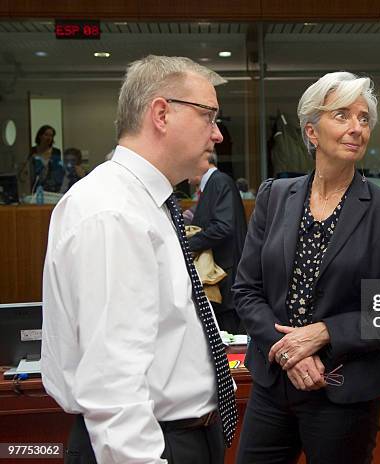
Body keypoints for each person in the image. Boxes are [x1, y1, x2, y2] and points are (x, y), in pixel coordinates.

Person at [42, 55, 237, 464]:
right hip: (148, 444)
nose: (218, 134)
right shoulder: (114, 211)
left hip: (186, 434)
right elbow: (113, 383)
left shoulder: (151, 202)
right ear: (162, 113)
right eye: (209, 116)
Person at [233, 71, 380, 464]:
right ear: (311, 132)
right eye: (342, 116)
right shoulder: (274, 196)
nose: (356, 129)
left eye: (364, 119)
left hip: (345, 390)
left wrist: (325, 332)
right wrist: (289, 353)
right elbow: (247, 290)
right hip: (273, 383)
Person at [188, 151, 247, 334]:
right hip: (222, 274)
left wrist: (189, 244)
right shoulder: (215, 184)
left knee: (229, 336)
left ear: (202, 161)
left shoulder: (219, 182)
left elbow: (223, 227)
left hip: (226, 275)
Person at [29, 124, 64, 192]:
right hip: (36, 187)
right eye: (46, 135)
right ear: (40, 136)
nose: (49, 138)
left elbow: (58, 170)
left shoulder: (56, 152)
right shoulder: (32, 151)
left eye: (51, 136)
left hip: (52, 187)